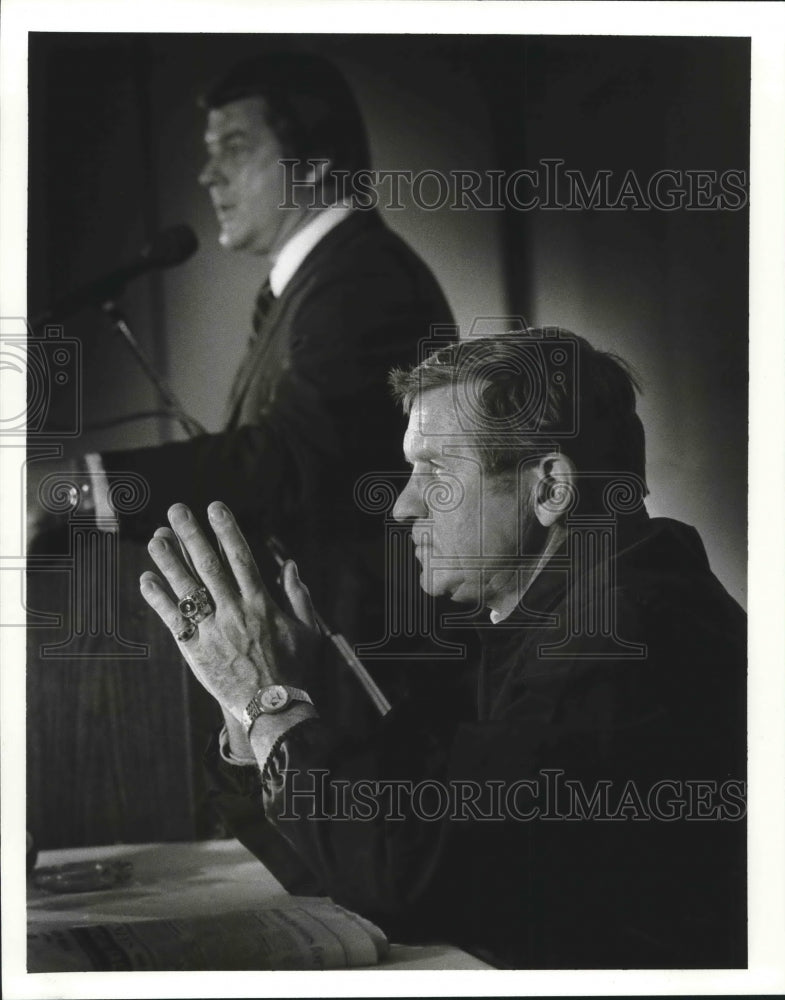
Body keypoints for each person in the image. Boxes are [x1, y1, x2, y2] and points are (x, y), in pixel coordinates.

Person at [139, 330, 746, 968]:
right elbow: (345, 860)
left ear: (548, 490)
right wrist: (267, 703)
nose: (402, 506)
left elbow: (406, 881)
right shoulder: (538, 615)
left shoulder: (630, 633)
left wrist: (269, 701)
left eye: (435, 471)